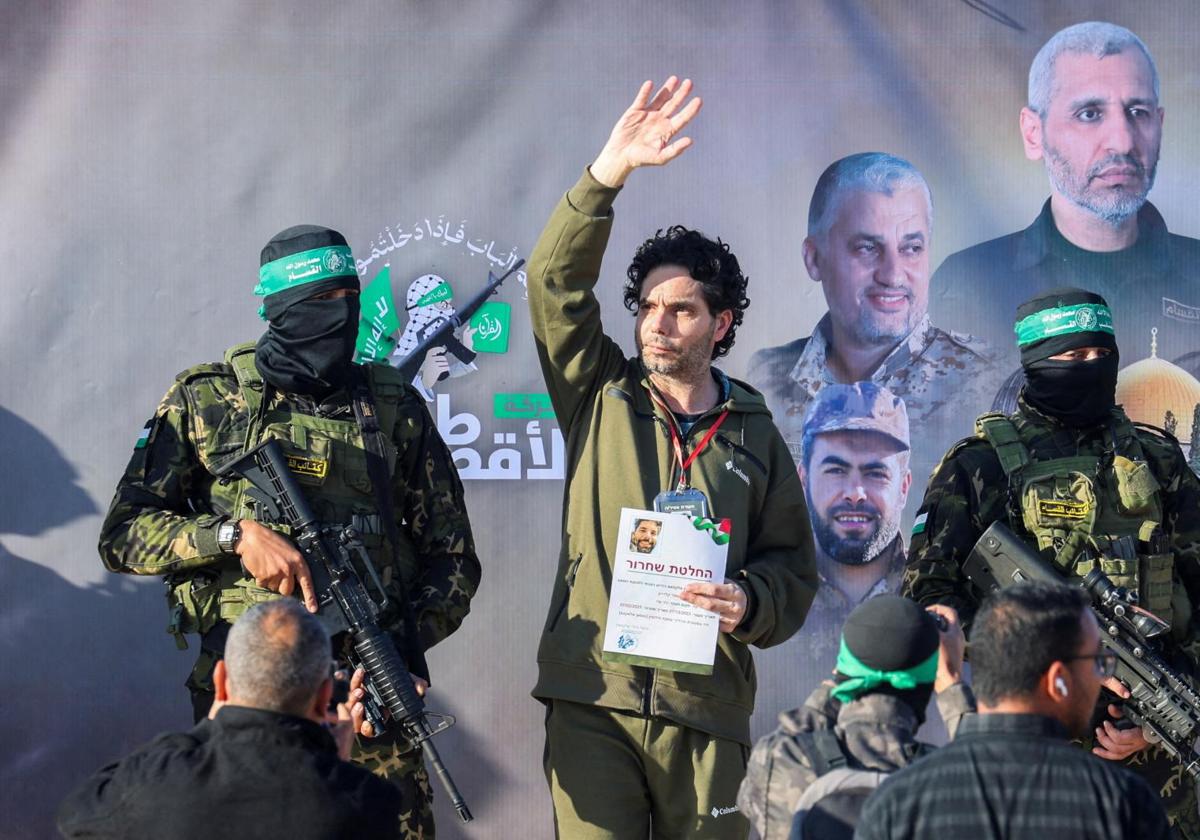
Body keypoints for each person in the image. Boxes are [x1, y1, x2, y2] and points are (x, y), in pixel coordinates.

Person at [97, 225, 481, 838]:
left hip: (365, 702)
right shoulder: (210, 400)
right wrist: (232, 537)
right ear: (279, 310)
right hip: (246, 707)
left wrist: (400, 651)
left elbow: (453, 558)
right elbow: (123, 535)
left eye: (347, 297)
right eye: (319, 302)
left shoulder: (389, 407)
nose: (340, 315)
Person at [527, 77, 817, 839]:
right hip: (595, 700)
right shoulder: (600, 390)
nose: (658, 325)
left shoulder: (755, 431)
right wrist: (606, 176)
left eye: (681, 309)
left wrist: (749, 602)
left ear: (720, 324)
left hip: (706, 709)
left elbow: (793, 566)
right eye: (648, 307)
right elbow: (553, 283)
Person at [904, 287, 1200, 834]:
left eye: (1098, 354)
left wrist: (1160, 718)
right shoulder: (980, 467)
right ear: (1036, 363)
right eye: (1070, 357)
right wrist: (1048, 664)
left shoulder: (1158, 462)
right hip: (1033, 757)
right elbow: (928, 601)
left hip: (1157, 769)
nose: (1088, 367)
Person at [931, 21, 1200, 372]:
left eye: (1138, 113)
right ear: (1033, 133)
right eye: (1089, 114)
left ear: (1159, 126)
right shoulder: (967, 283)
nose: (1123, 141)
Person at [58, 600, 404, 839]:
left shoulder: (154, 782)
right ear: (325, 695)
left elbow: (75, 816)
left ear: (220, 681)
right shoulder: (369, 804)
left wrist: (207, 729)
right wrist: (336, 763)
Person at [857, 581, 1170, 839]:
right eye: (1099, 663)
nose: (1103, 676)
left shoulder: (897, 806)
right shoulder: (1123, 805)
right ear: (1058, 681)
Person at [746, 152, 999, 468]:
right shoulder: (765, 379)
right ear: (814, 259)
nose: (892, 275)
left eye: (911, 249)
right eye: (867, 248)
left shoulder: (988, 380)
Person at [737, 595, 971, 840]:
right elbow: (989, 770)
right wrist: (952, 682)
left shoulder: (783, 760)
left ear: (843, 670)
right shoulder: (954, 784)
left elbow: (784, 742)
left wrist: (837, 686)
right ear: (928, 681)